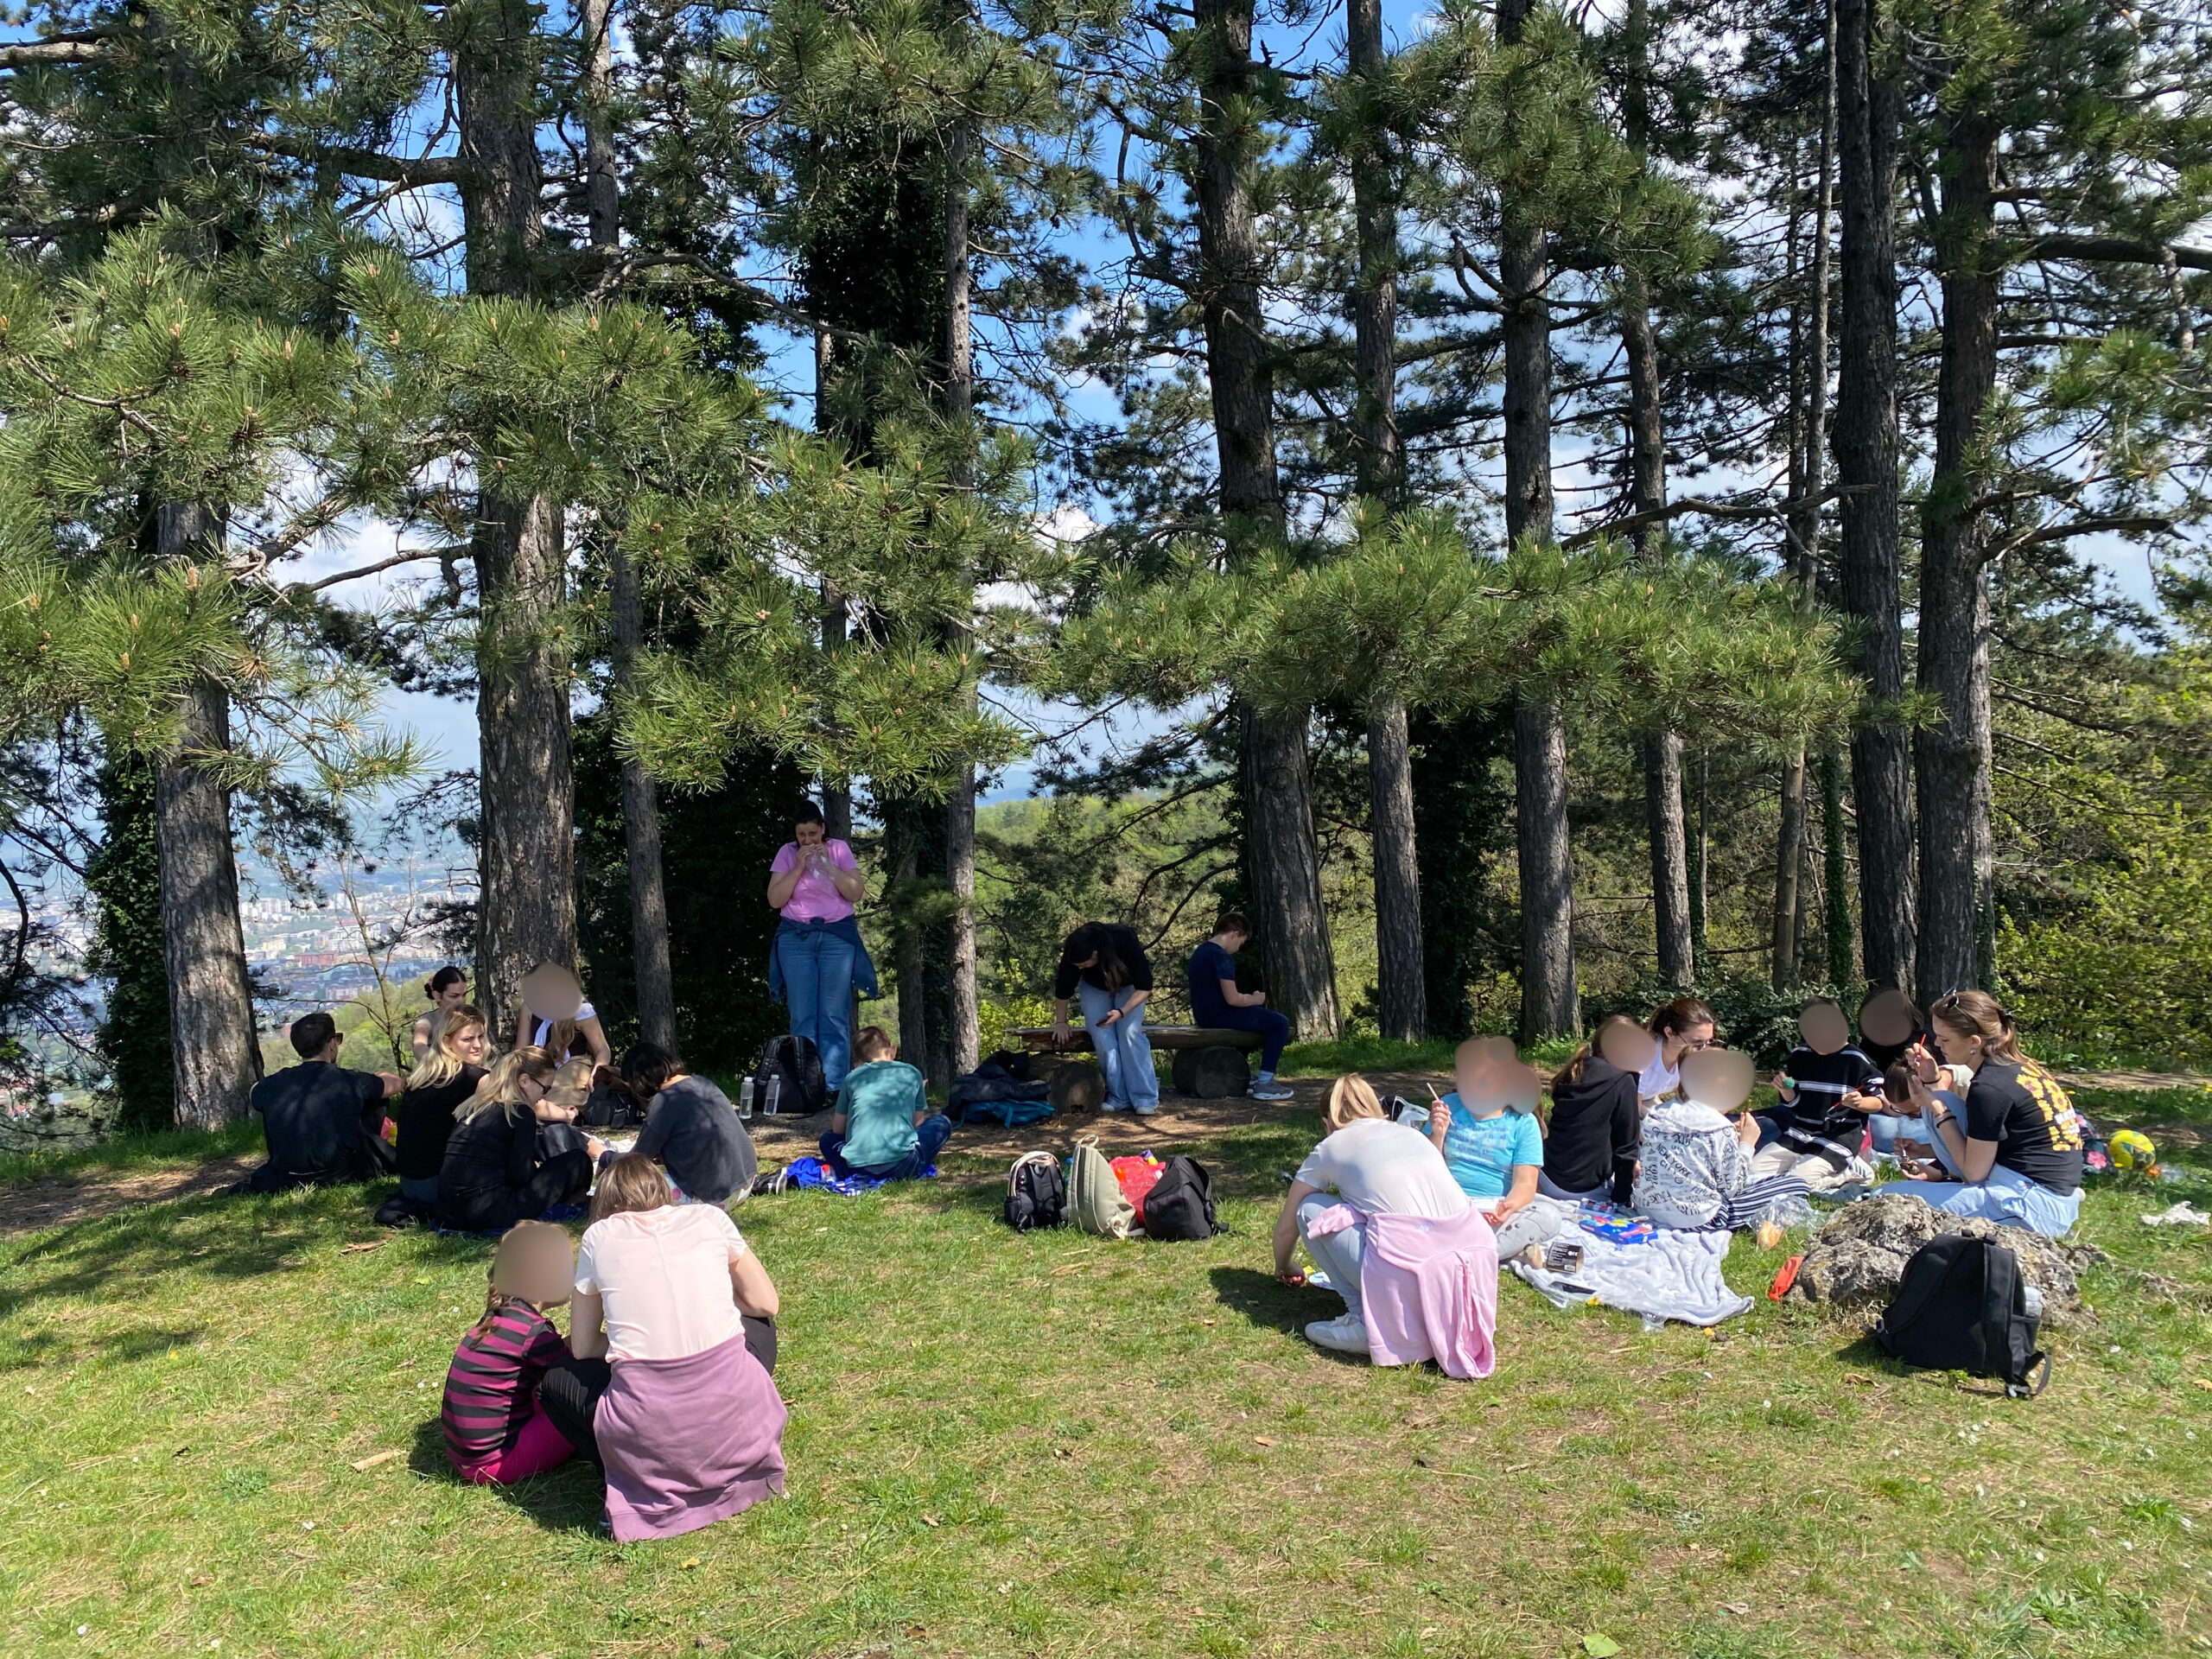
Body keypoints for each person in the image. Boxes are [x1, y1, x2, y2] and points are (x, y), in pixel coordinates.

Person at [539, 1155, 787, 1542]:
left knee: (555, 1379)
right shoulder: (710, 1218)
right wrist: (714, 1306)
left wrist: (630, 1343)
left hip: (650, 1412)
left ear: (604, 1205)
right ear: (664, 1193)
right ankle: (732, 1428)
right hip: (731, 1393)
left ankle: (630, 1476)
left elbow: (584, 1346)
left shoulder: (598, 1237)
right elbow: (765, 1304)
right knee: (759, 1323)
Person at [1270, 1076, 1497, 1376]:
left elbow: (1287, 1226)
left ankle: (1364, 1321)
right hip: (1473, 1263)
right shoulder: (1412, 1135)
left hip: (1412, 1263)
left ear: (1327, 1122)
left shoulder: (1330, 1147)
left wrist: (1284, 1266)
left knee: (1309, 1209)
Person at [1872, 989, 2084, 1237]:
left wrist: (1937, 1108)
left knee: (1883, 1199)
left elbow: (1974, 1173)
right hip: (2044, 1193)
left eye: (1945, 1039)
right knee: (1942, 1097)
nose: (1937, 1045)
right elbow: (1988, 1146)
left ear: (1974, 1042)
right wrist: (1931, 1082)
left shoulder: (1990, 1089)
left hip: (2025, 1202)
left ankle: (2034, 1225)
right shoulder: (2020, 1068)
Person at [440, 1221, 579, 1485]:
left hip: (465, 1459)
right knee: (582, 1407)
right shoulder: (534, 1333)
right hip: (498, 1463)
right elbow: (574, 1374)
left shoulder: (496, 1321)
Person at [766, 800, 878, 1095]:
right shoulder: (786, 854)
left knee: (833, 1013)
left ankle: (835, 1085)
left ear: (823, 829)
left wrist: (828, 865)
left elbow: (855, 892)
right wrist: (798, 867)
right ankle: (806, 1085)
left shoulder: (839, 849)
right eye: (801, 835)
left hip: (836, 937)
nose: (807, 840)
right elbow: (775, 900)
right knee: (802, 1014)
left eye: (813, 834)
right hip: (796, 938)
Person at [1633, 1048, 1812, 1230]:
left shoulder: (1657, 1114)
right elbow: (1732, 1189)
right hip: (1701, 1220)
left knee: (1766, 1179)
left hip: (1648, 1210)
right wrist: (1747, 1144)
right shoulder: (1719, 1128)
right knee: (1797, 1184)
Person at [1426, 1037, 1566, 1261]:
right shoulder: (1448, 1105)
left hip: (1493, 1209)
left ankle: (1462, 1253)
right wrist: (1437, 1135)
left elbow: (1525, 1184)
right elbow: (1426, 1167)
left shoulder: (1523, 1122)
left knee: (1549, 1215)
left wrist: (1508, 1206)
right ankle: (1488, 1251)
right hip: (1446, 1203)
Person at [436, 1047, 603, 1233]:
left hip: (449, 1211)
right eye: (545, 1088)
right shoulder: (520, 1113)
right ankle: (576, 1202)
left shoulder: (473, 1107)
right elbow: (521, 1177)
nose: (544, 1096)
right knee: (578, 1160)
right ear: (524, 1081)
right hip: (488, 1212)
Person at [241, 1011, 404, 1192]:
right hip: (343, 1171)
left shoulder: (274, 1084)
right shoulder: (350, 1081)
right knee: (376, 1096)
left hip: (288, 1174)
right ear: (331, 1044)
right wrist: (377, 1076)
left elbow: (254, 1092)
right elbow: (396, 1084)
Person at [1757, 996, 1885, 1185]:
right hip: (1799, 1134)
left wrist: (1860, 1102)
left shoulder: (1856, 1060)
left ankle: (1849, 1173)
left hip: (1839, 1139)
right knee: (1753, 1173)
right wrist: (1786, 1090)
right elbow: (1795, 1101)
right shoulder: (1800, 1056)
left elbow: (1879, 1101)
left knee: (1795, 1182)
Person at [623, 1043, 760, 1205]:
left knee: (632, 1184)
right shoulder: (702, 1082)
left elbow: (636, 1160)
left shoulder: (663, 1101)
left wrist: (606, 1157)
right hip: (746, 1183)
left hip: (716, 1199)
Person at [1050, 921, 1159, 1116]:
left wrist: (1122, 1012)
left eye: (1084, 965)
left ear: (1095, 954)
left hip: (1131, 987)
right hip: (1094, 988)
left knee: (1130, 1033)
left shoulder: (1124, 940)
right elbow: (1063, 990)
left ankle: (1145, 1097)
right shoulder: (1073, 953)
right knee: (1102, 1036)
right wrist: (1060, 1023)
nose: (1080, 969)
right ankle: (1118, 1096)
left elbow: (1145, 987)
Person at [820, 1026, 953, 1181]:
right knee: (942, 1122)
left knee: (827, 1139)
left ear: (858, 1063)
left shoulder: (852, 1078)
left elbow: (838, 1129)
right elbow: (917, 1124)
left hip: (855, 1166)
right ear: (893, 1051)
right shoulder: (912, 1073)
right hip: (904, 1166)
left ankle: (852, 1164)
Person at [1185, 912, 1294, 1102]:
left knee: (1259, 1017)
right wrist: (1256, 999)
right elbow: (1233, 999)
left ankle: (1245, 1075)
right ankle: (1265, 1082)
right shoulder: (1221, 957)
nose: (1237, 949)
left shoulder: (1200, 952)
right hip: (1220, 1015)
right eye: (1240, 943)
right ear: (1234, 934)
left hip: (1204, 1015)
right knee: (1279, 1023)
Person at [393, 1004, 491, 1210]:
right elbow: (521, 1104)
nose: (477, 1045)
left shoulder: (423, 1075)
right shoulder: (474, 1078)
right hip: (437, 1187)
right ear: (447, 1042)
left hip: (410, 1184)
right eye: (468, 1039)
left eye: (481, 1037)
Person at [1540, 1014, 1645, 1205]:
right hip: (1585, 1189)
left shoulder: (1573, 1071)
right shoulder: (1622, 1081)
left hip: (1547, 1176)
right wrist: (1622, 1201)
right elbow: (1626, 1148)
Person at [512, 963, 613, 1071]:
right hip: (541, 1066)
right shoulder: (529, 1007)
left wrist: (596, 1074)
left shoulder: (581, 1010)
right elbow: (520, 1050)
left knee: (554, 1083)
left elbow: (603, 1050)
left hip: (574, 1064)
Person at [1637, 997, 1716, 1108]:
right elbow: (1630, 1109)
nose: (1703, 1050)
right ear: (1669, 1033)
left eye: (1708, 1042)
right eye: (1696, 1043)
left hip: (1646, 1099)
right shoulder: (1642, 1058)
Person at [412, 966, 470, 1064]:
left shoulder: (472, 1017)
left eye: (464, 995)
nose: (461, 1001)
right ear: (437, 996)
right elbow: (418, 1045)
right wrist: (436, 1064)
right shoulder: (428, 1021)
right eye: (454, 996)